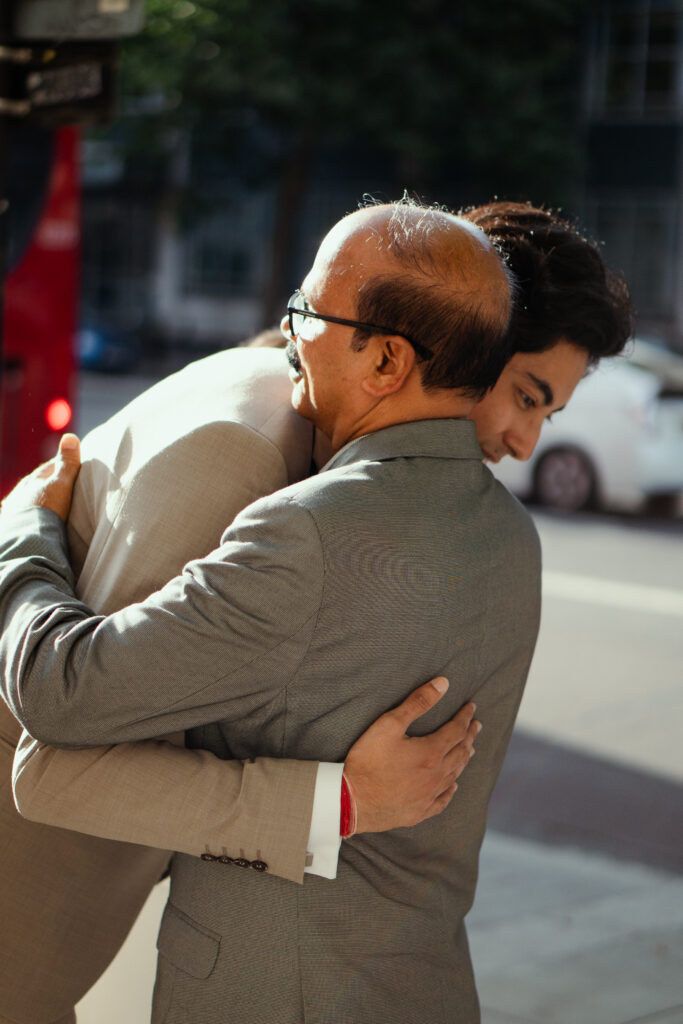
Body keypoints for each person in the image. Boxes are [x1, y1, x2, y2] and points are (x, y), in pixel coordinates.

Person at [0, 199, 633, 1023]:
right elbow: (64, 736)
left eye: (545, 413)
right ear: (438, 351)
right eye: (522, 394)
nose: (523, 440)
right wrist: (24, 518)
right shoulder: (260, 467)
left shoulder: (434, 526)